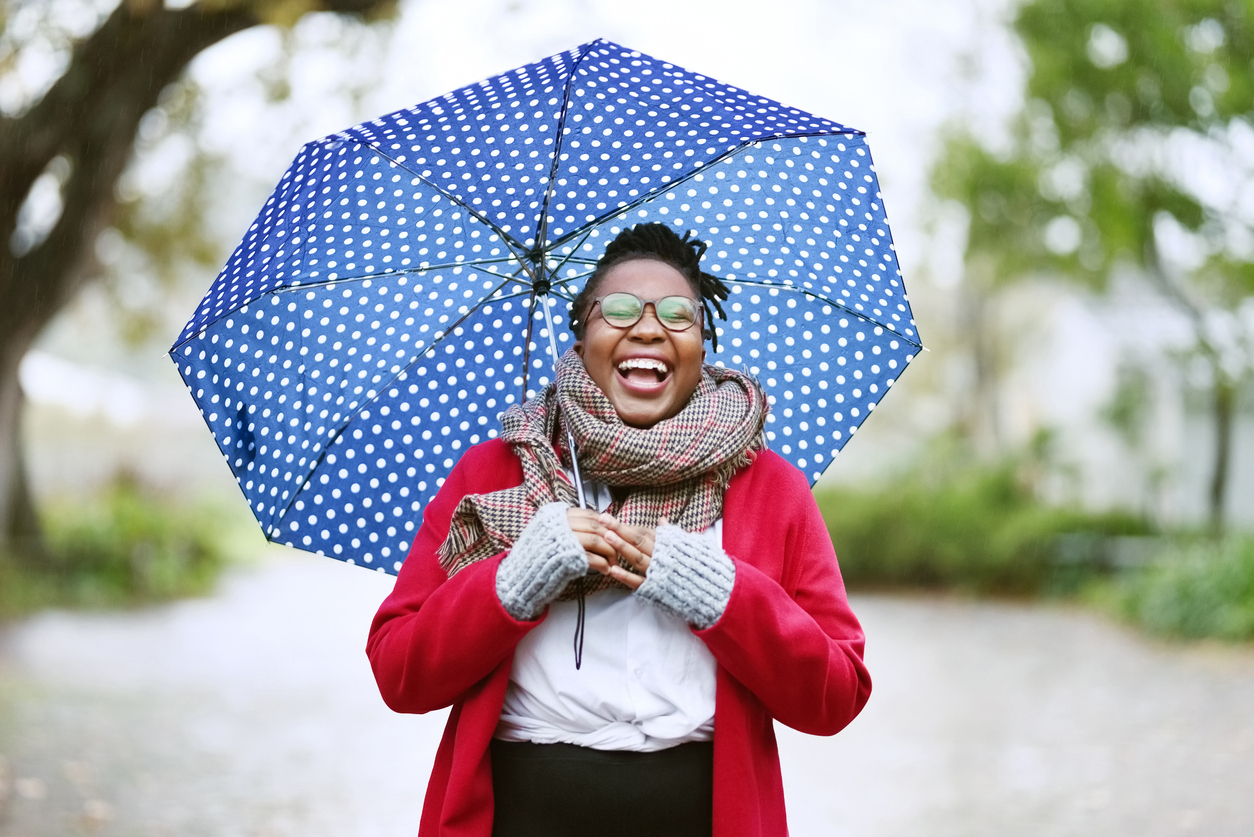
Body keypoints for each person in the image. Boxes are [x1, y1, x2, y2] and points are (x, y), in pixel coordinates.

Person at [367, 223, 871, 837]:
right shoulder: (494, 471)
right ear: (582, 336)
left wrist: (722, 595)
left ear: (703, 346)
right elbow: (400, 674)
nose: (649, 328)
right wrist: (513, 583)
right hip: (518, 816)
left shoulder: (769, 486)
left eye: (679, 314)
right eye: (621, 309)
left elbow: (835, 697)